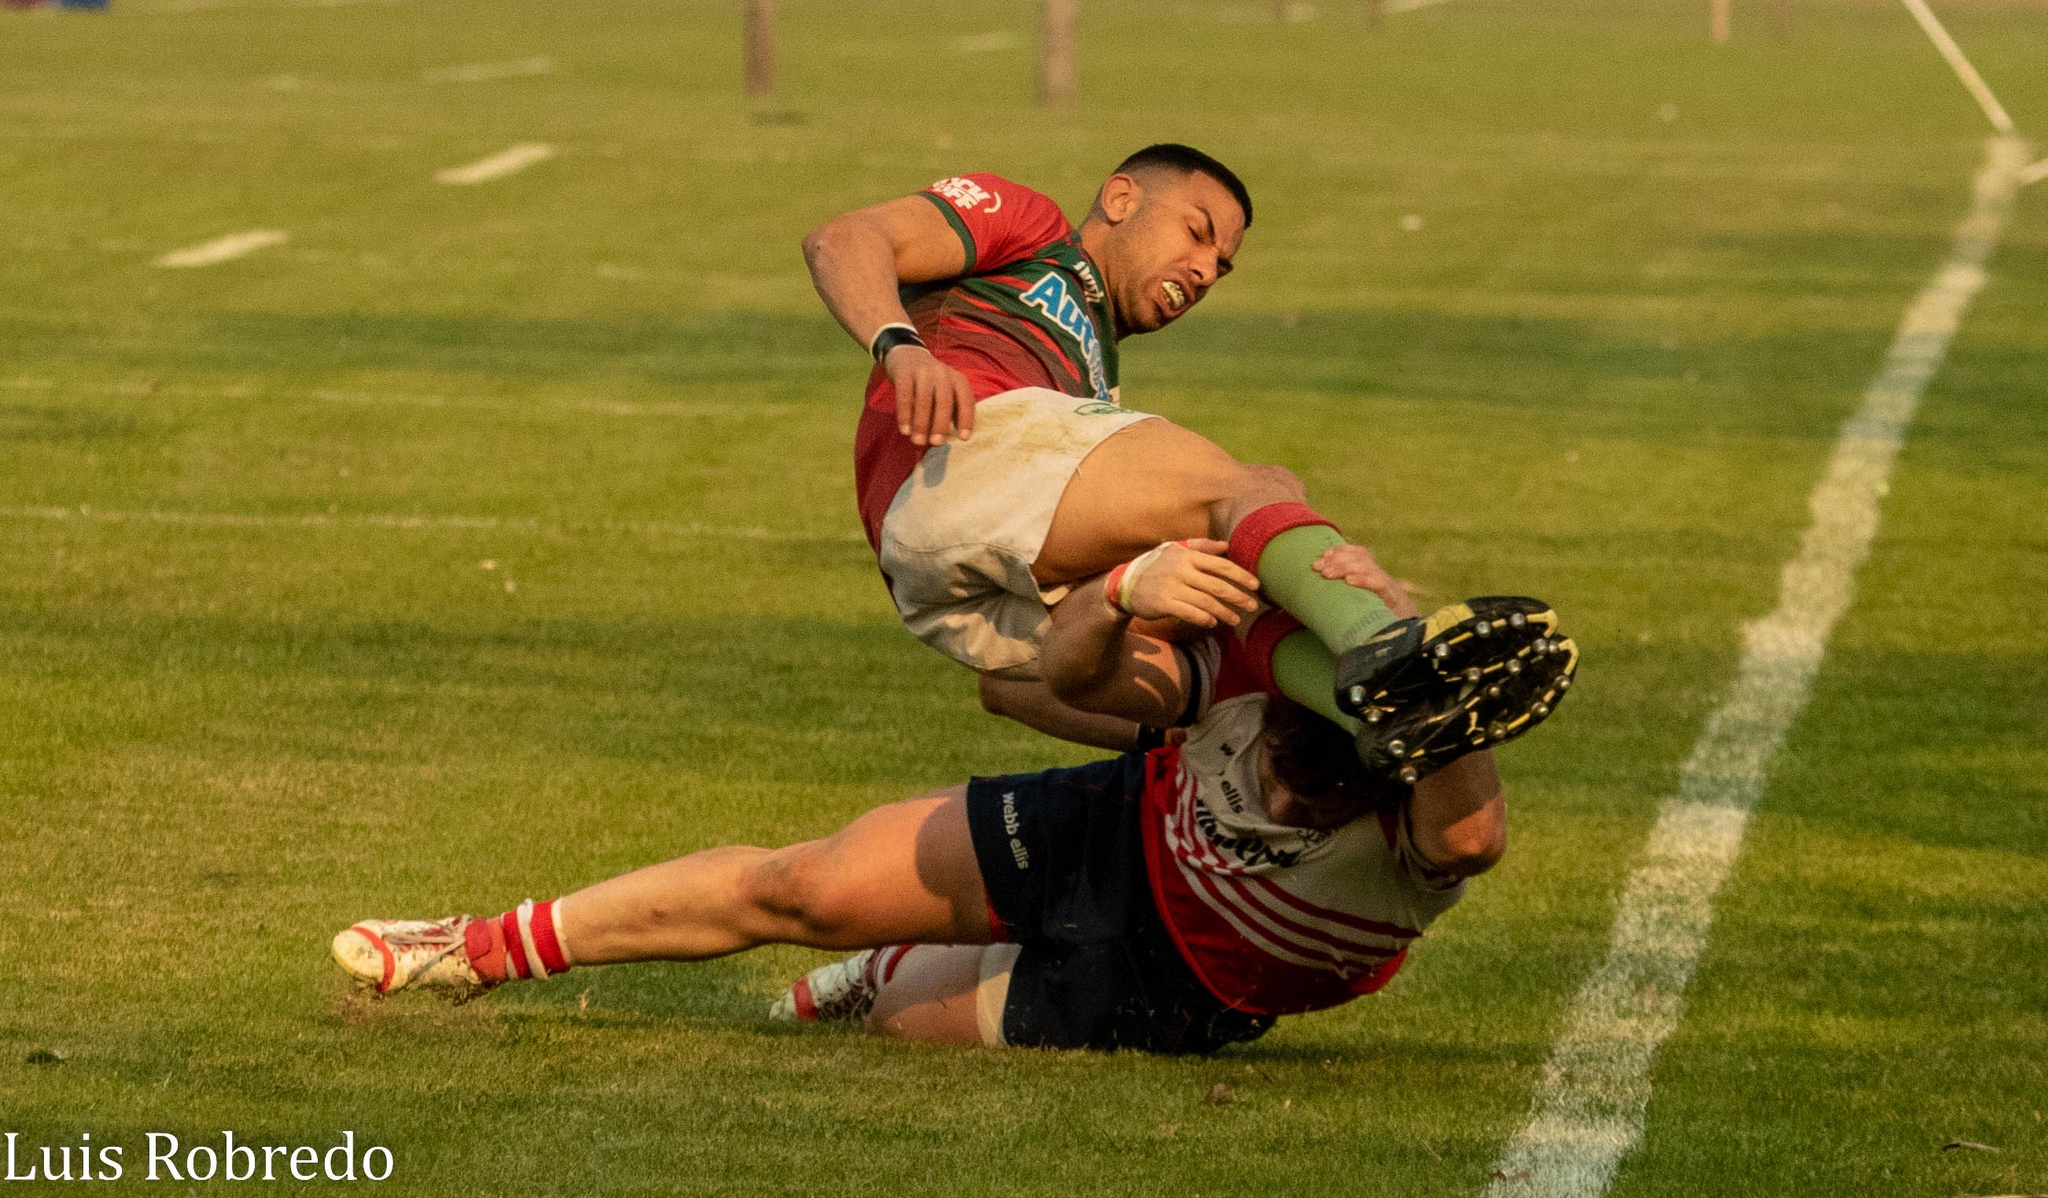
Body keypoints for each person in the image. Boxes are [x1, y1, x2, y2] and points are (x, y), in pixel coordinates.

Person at [330, 543, 1576, 1054]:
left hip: (1176, 985)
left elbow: (1474, 832)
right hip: (1105, 830)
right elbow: (1042, 684)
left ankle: (886, 972)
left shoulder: (1426, 805)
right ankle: (474, 945)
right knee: (802, 884)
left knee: (891, 1028)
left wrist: (1434, 708)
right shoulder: (1257, 664)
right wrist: (1127, 583)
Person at [803, 143, 1566, 782]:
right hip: (958, 462)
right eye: (1196, 233)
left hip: (949, 593)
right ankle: (1381, 644)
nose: (1204, 270)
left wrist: (1160, 731)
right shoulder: (1035, 232)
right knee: (1253, 493)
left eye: (1221, 266)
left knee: (1234, 616)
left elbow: (1009, 695)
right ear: (1122, 196)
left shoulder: (1094, 377)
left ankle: (1380, 719)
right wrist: (899, 345)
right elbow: (843, 239)